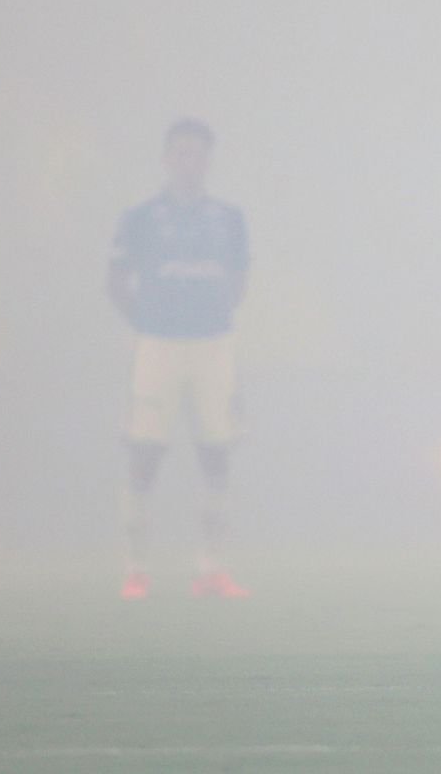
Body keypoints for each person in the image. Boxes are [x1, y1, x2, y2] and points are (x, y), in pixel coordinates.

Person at [107, 118, 251, 600]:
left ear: (208, 160)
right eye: (180, 151)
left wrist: (209, 316)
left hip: (213, 346)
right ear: (166, 157)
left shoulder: (230, 218)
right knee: (145, 451)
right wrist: (151, 323)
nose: (188, 160)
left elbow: (238, 280)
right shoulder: (141, 217)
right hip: (158, 346)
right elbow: (116, 282)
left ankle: (211, 568)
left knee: (217, 451)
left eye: (197, 152)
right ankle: (136, 569)